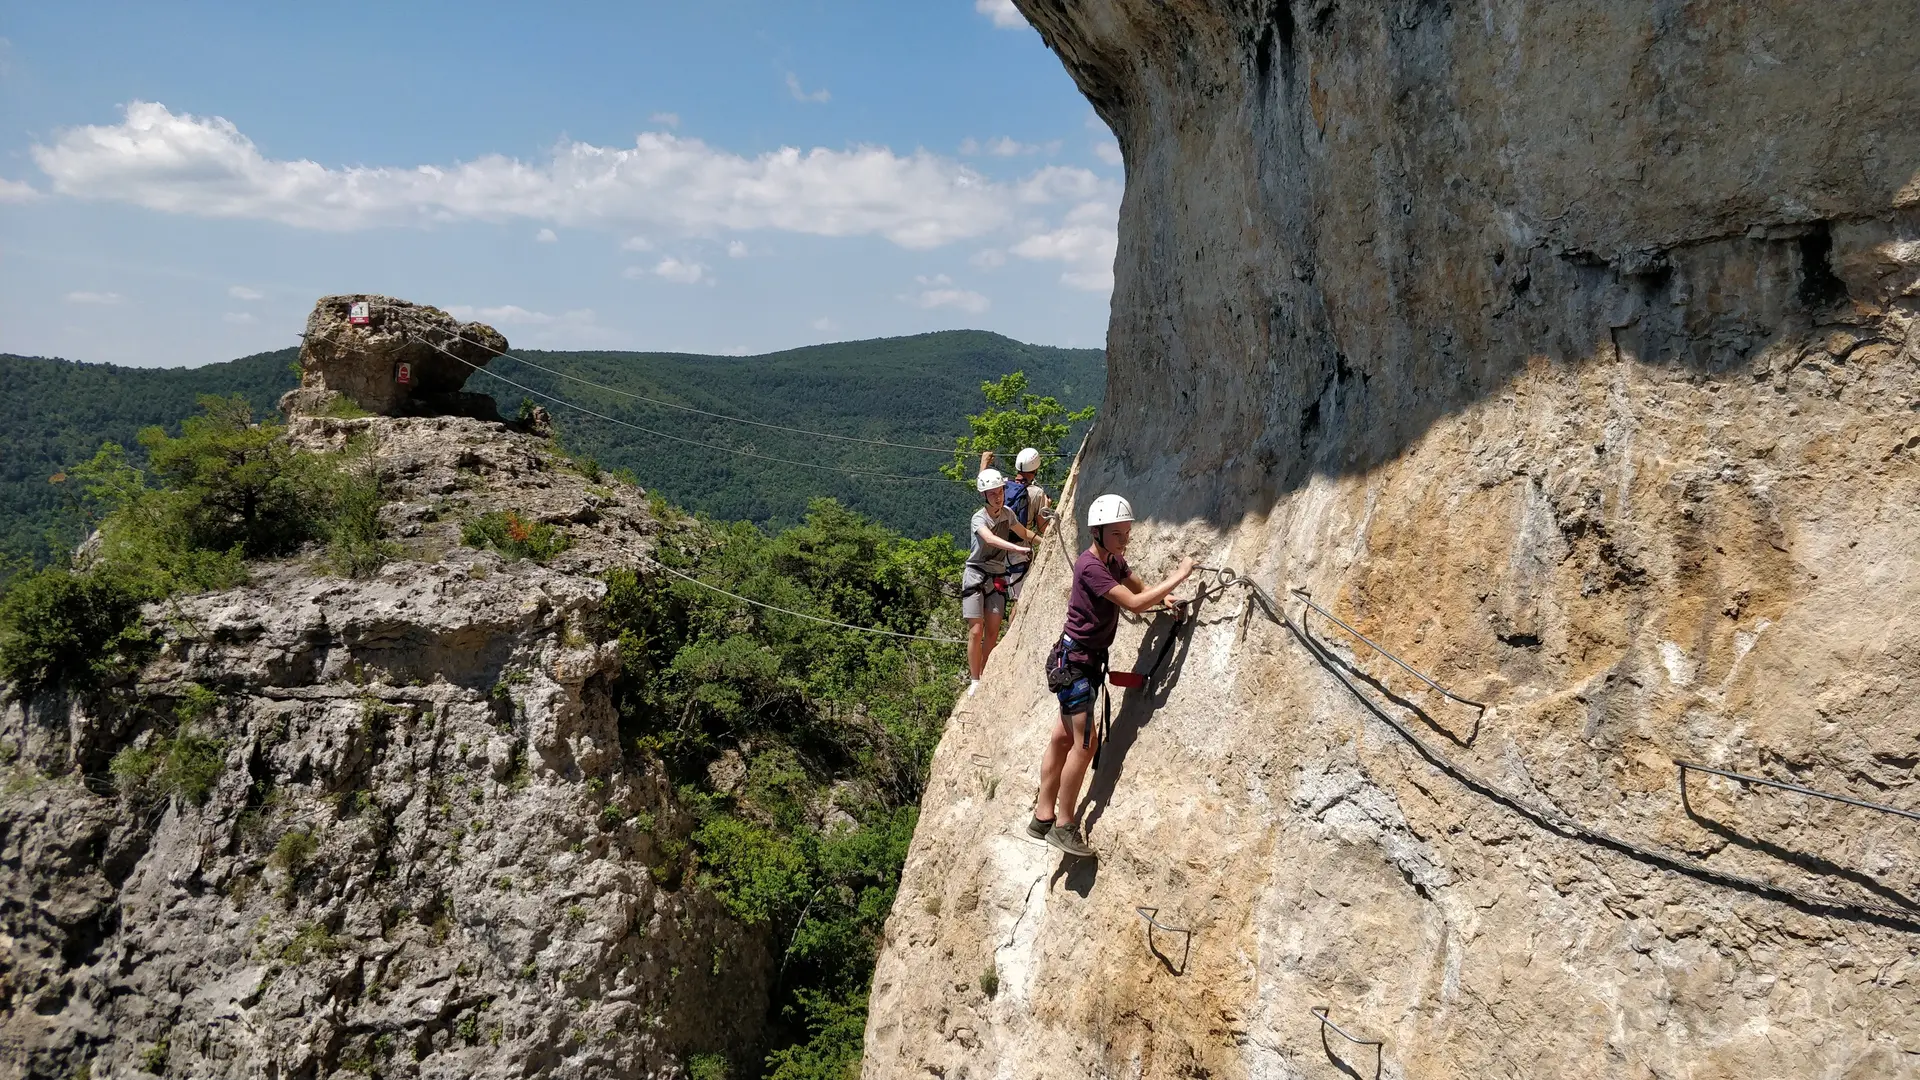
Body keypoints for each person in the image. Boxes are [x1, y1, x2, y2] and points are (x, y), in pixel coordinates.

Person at [1030, 493, 1194, 858]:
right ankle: (1064, 824)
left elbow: (1137, 586)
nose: (1125, 540)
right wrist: (1179, 577)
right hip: (1075, 664)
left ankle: (1042, 816)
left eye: (1126, 532)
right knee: (1084, 743)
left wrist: (1164, 600)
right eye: (1118, 534)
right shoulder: (1090, 567)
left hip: (1077, 662)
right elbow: (1134, 603)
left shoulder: (1111, 560)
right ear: (1098, 532)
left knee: (1061, 738)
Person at [961, 468, 1037, 695]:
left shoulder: (1007, 514)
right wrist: (1016, 548)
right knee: (976, 630)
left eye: (1000, 491)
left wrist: (1046, 540)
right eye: (992, 493)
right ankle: (975, 680)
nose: (998, 496)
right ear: (984, 495)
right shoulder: (979, 518)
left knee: (993, 630)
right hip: (975, 574)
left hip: (997, 575)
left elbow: (1023, 531)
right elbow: (990, 538)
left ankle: (985, 672)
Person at [1001, 448, 1050, 614]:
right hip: (1020, 552)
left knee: (996, 603)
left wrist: (984, 463)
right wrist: (1047, 508)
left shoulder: (1003, 485)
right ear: (1035, 469)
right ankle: (1012, 638)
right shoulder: (1037, 493)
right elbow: (1043, 529)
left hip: (997, 550)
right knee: (1019, 603)